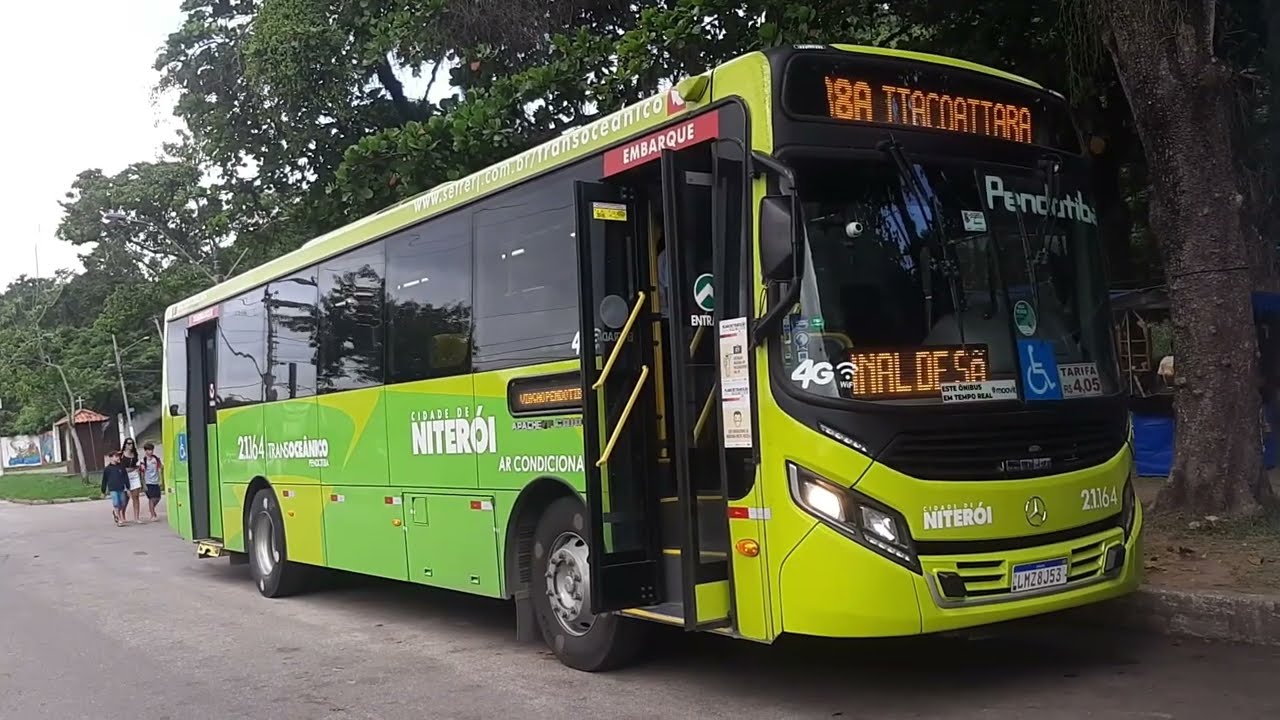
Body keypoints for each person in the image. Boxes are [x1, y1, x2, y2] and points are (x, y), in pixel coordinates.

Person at [100, 451, 130, 527]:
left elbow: (126, 477)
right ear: (111, 458)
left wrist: (128, 487)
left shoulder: (121, 467)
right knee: (116, 503)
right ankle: (119, 518)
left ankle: (115, 512)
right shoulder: (107, 469)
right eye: (116, 456)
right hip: (112, 488)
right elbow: (104, 480)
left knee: (123, 502)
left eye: (118, 456)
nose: (118, 458)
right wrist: (103, 491)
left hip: (121, 488)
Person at [140, 442, 164, 522]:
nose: (150, 452)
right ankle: (153, 514)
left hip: (155, 481)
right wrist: (144, 484)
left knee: (158, 498)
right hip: (148, 482)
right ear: (145, 451)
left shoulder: (156, 459)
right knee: (151, 498)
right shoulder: (143, 461)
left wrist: (161, 480)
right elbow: (142, 473)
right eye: (148, 450)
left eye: (151, 450)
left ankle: (151, 508)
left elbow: (159, 470)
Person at [121, 438, 143, 524]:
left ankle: (136, 517)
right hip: (125, 475)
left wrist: (138, 468)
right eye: (128, 443)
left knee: (136, 497)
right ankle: (122, 514)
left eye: (132, 443)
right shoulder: (121, 454)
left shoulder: (135, 454)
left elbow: (137, 463)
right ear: (125, 445)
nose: (130, 445)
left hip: (134, 474)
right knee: (125, 497)